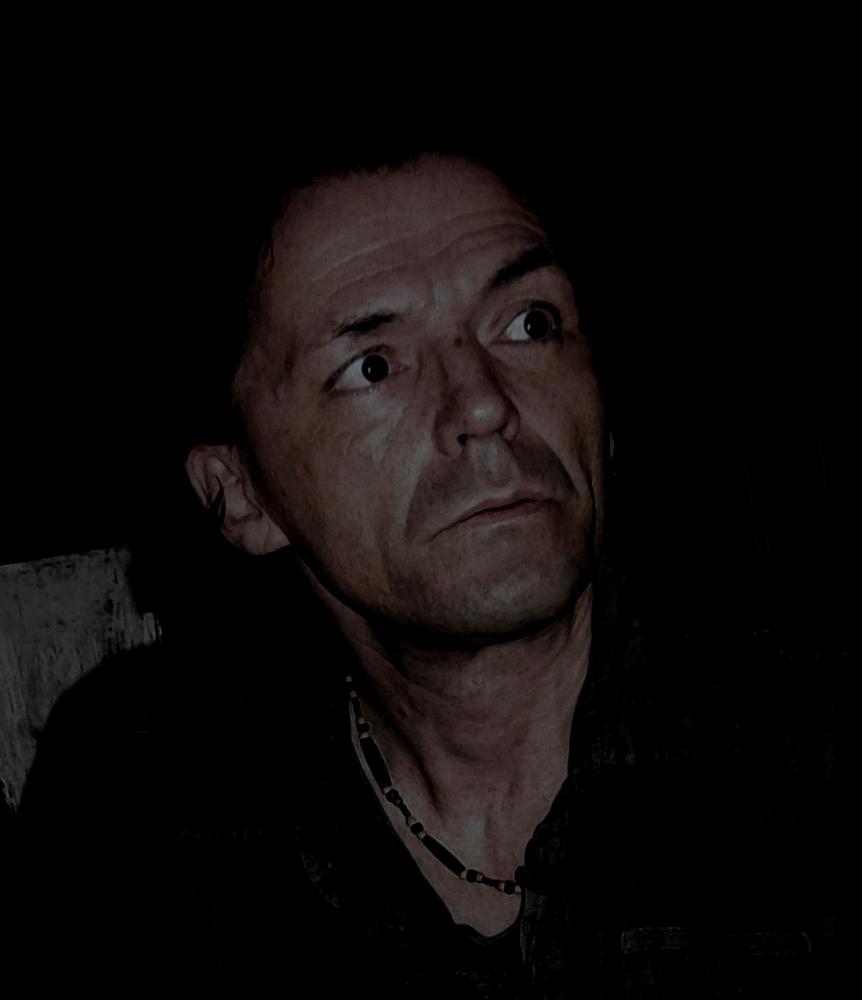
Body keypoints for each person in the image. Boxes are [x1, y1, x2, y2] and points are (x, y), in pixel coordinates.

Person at [15, 138, 841, 998]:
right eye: (373, 367)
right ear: (243, 493)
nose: (484, 403)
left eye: (529, 324)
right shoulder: (147, 800)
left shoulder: (807, 733)